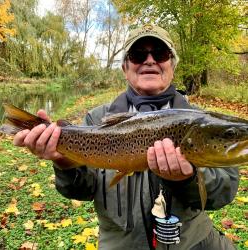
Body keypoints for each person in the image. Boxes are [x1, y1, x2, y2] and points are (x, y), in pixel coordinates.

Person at [13, 25, 238, 250]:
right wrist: (61, 160)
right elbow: (82, 190)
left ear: (172, 66)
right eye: (138, 55)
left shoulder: (200, 120)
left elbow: (223, 193)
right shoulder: (97, 119)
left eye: (159, 54)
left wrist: (187, 179)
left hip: (191, 243)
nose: (149, 60)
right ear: (124, 68)